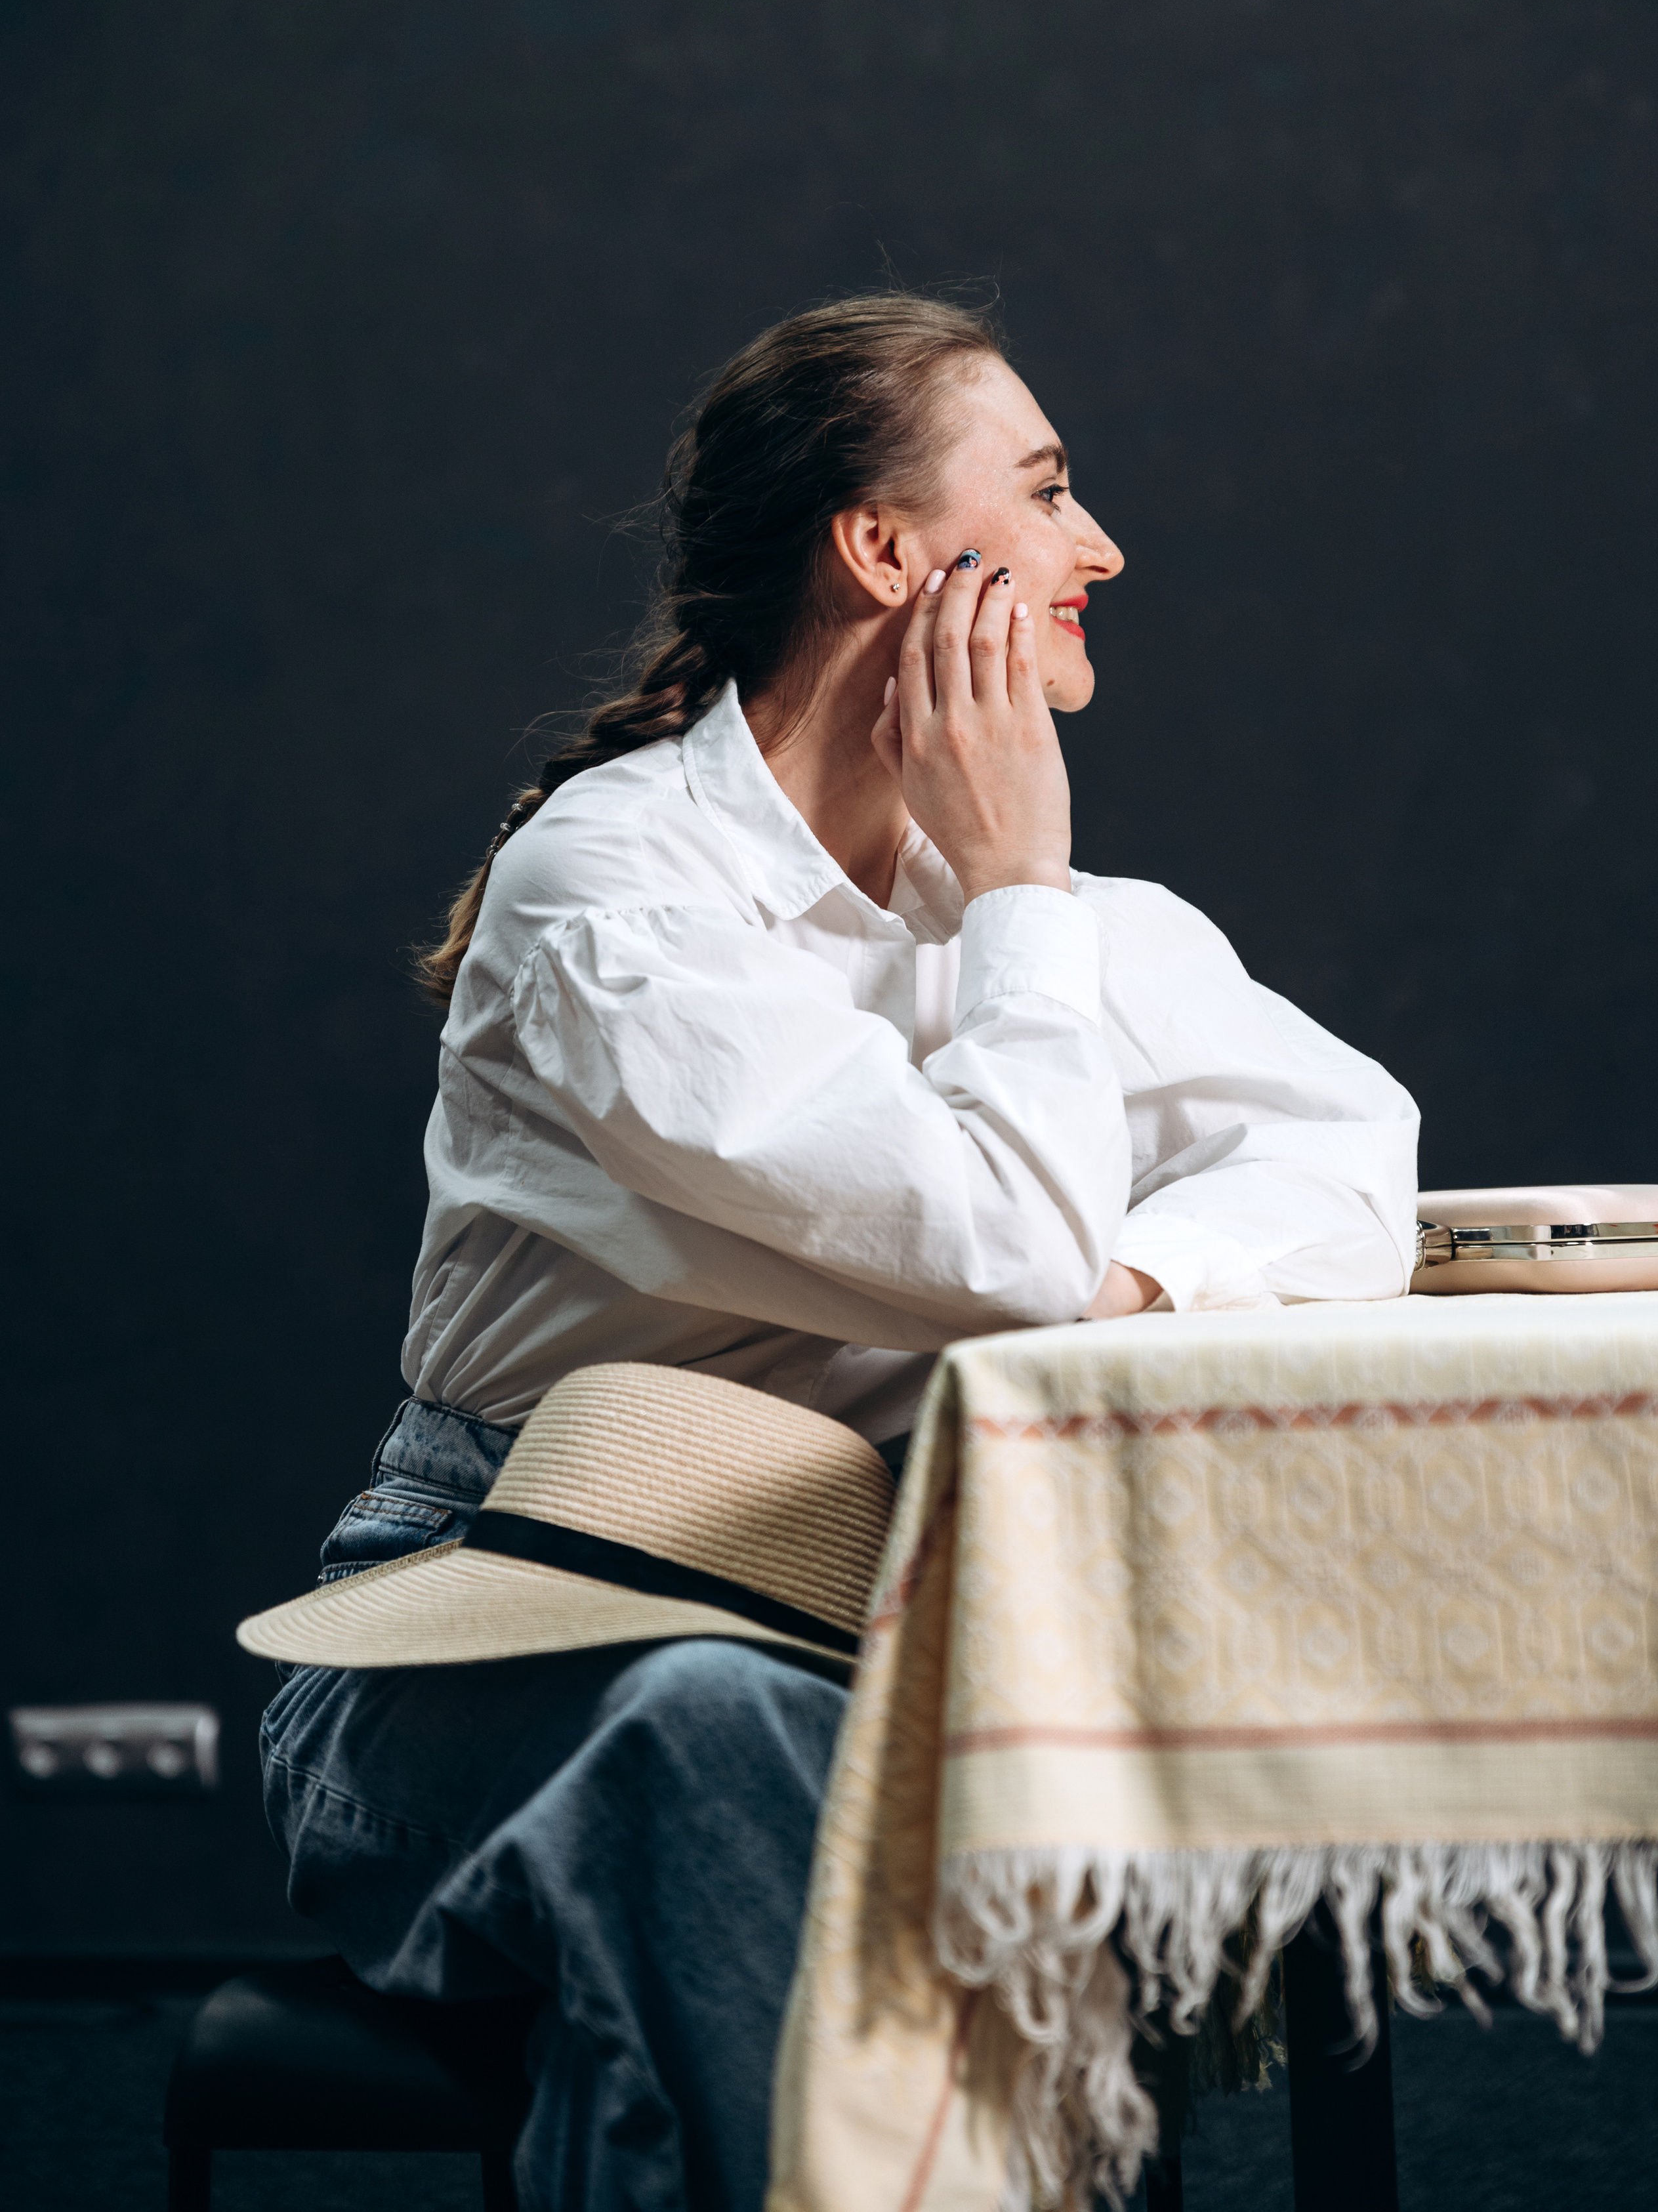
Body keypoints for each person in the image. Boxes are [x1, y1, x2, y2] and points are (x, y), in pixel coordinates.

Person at [258, 293, 1419, 2211]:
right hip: (499, 1635)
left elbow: (1355, 1148)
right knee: (728, 1740)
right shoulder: (614, 896)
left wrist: (1130, 1284)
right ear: (885, 552)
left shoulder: (1072, 925)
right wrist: (1024, 903)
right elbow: (1006, 1258)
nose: (1100, 547)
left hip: (869, 1621)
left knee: (994, 1765)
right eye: (1046, 492)